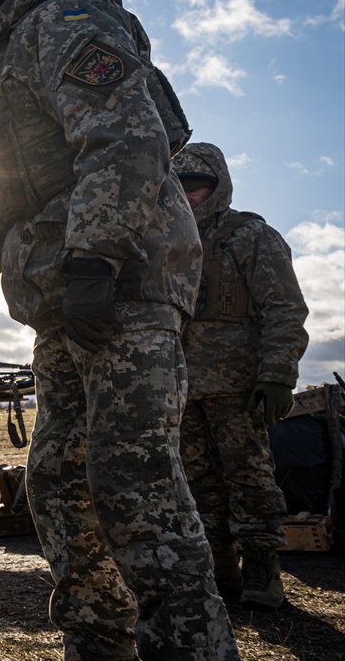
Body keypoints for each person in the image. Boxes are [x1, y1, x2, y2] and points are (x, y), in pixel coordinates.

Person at [0, 0, 240, 658]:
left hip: (126, 285)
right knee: (57, 480)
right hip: (62, 304)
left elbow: (126, 137)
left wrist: (96, 259)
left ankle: (190, 645)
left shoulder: (60, 25)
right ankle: (98, 642)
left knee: (134, 480)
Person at [174, 142, 308, 609]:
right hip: (182, 388)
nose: (190, 195)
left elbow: (284, 308)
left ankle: (262, 569)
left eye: (199, 186)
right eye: (181, 187)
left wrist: (278, 375)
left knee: (250, 477)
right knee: (198, 484)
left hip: (239, 387)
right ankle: (219, 569)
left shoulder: (251, 236)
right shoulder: (169, 241)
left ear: (219, 186)